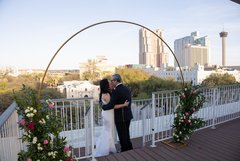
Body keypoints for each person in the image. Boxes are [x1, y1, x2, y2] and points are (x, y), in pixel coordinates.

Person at [94, 78, 129, 157]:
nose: (110, 84)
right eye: (109, 83)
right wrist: (124, 105)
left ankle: (108, 147)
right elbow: (112, 106)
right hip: (108, 114)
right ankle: (106, 149)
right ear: (106, 85)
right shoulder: (107, 94)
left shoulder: (103, 93)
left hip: (107, 113)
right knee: (108, 131)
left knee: (107, 130)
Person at [102, 74, 133, 152]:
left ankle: (125, 150)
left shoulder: (116, 91)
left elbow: (111, 105)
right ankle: (129, 147)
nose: (111, 82)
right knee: (126, 133)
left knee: (122, 135)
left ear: (116, 80)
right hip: (128, 115)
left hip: (120, 116)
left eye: (112, 80)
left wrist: (103, 107)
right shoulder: (127, 88)